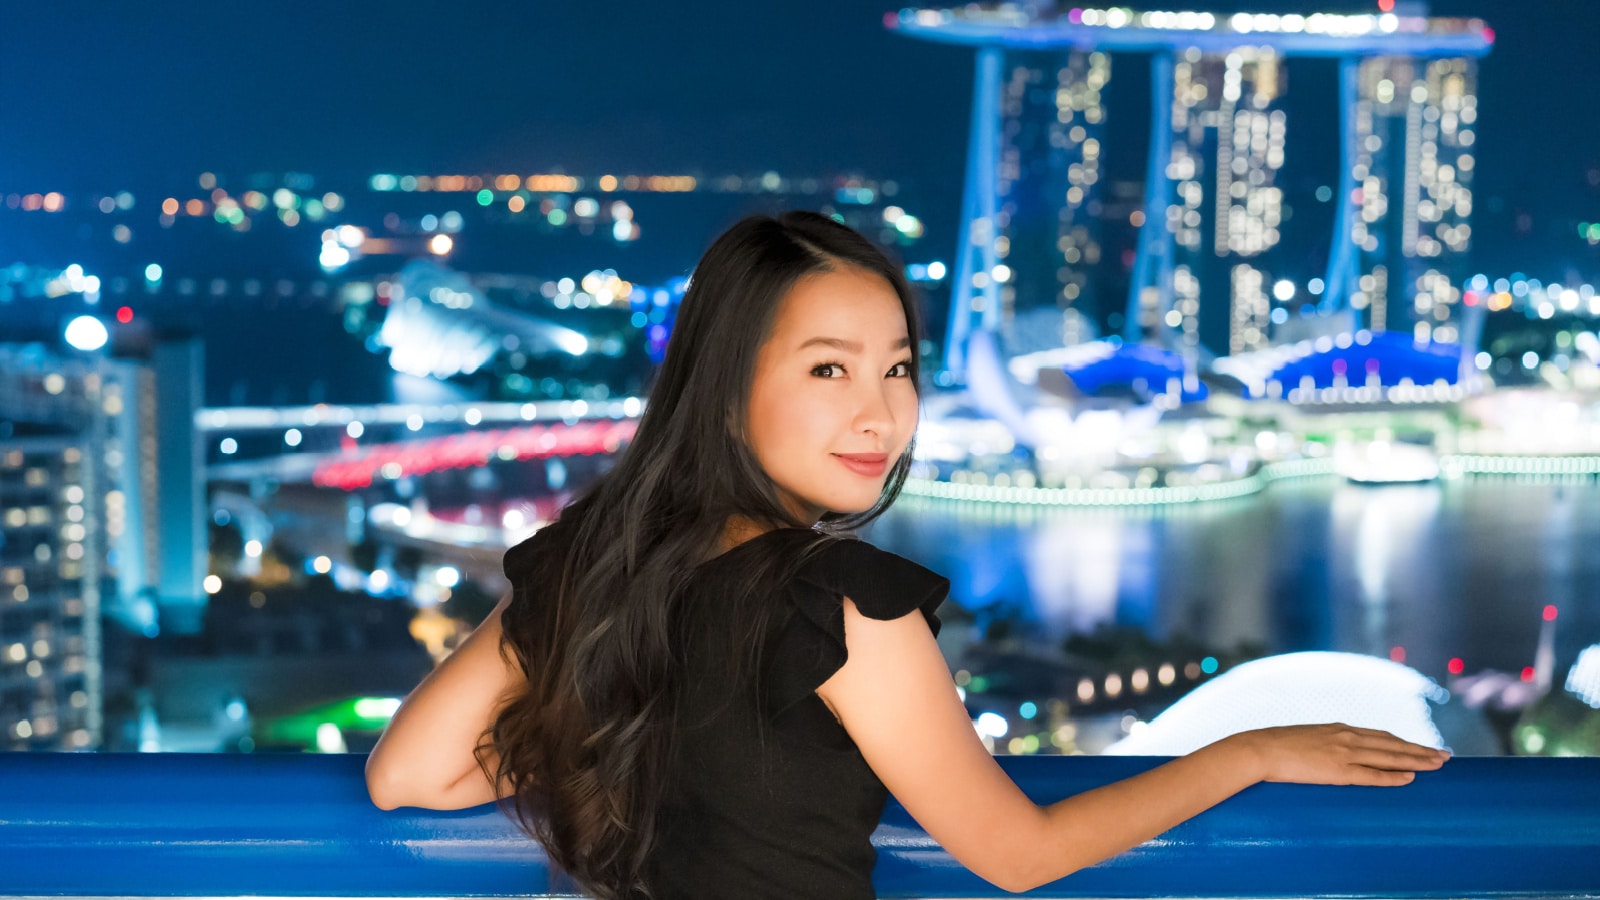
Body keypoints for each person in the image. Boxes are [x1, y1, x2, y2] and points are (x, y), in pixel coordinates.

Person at [365, 211, 1449, 899]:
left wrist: (611, 733)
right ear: (727, 387)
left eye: (897, 368)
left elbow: (408, 775)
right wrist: (1245, 754)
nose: (880, 412)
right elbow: (1017, 858)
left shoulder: (591, 568)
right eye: (829, 370)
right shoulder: (837, 606)